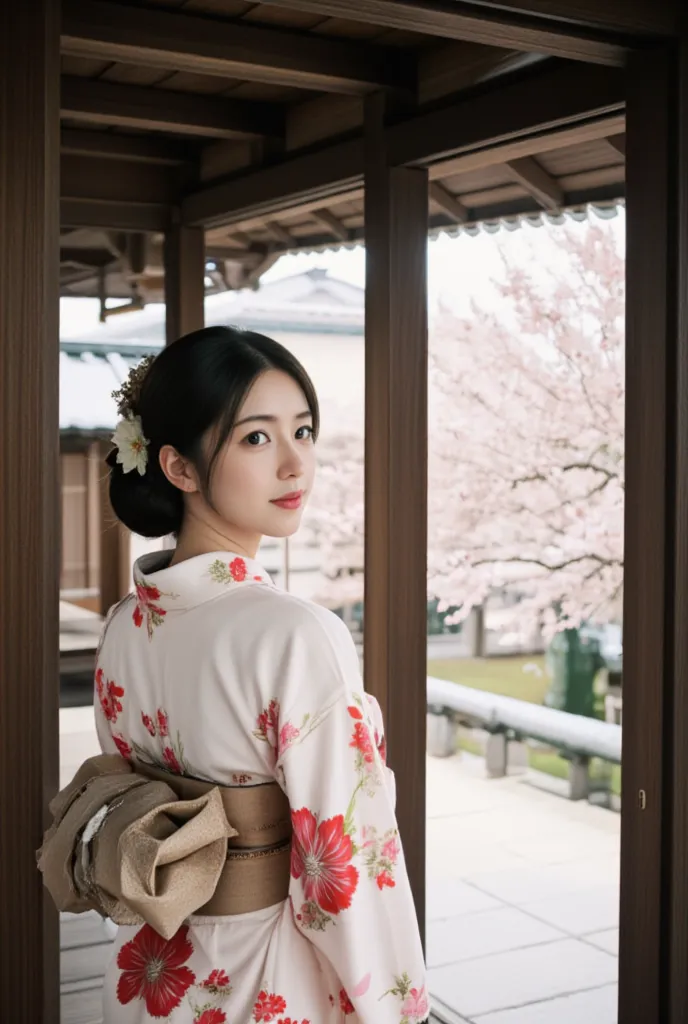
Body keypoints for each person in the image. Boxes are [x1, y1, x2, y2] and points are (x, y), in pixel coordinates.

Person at [95, 326, 428, 1024]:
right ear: (179, 468)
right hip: (263, 975)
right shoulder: (297, 634)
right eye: (256, 438)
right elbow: (349, 866)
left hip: (149, 969)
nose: (295, 465)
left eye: (302, 431)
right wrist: (401, 1009)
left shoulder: (125, 623)